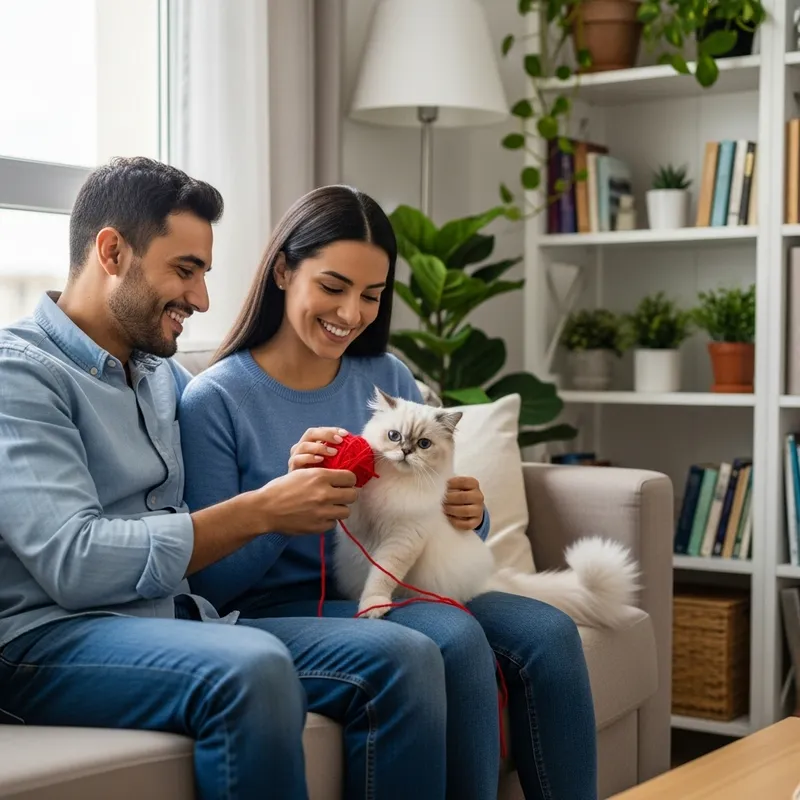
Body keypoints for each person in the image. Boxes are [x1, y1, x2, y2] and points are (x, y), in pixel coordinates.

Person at [0, 158, 449, 800]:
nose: (202, 299)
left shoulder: (163, 378)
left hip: (177, 619)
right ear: (112, 251)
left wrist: (310, 479)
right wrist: (262, 511)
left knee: (402, 656)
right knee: (252, 669)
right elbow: (73, 560)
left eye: (204, 273)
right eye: (185, 270)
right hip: (42, 640)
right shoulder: (20, 374)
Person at [179, 184, 599, 800]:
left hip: (406, 580)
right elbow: (211, 583)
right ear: (282, 269)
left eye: (372, 296)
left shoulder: (388, 376)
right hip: (281, 606)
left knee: (549, 634)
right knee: (453, 639)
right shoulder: (215, 399)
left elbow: (430, 515)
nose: (351, 313)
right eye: (333, 287)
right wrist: (283, 506)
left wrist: (468, 514)